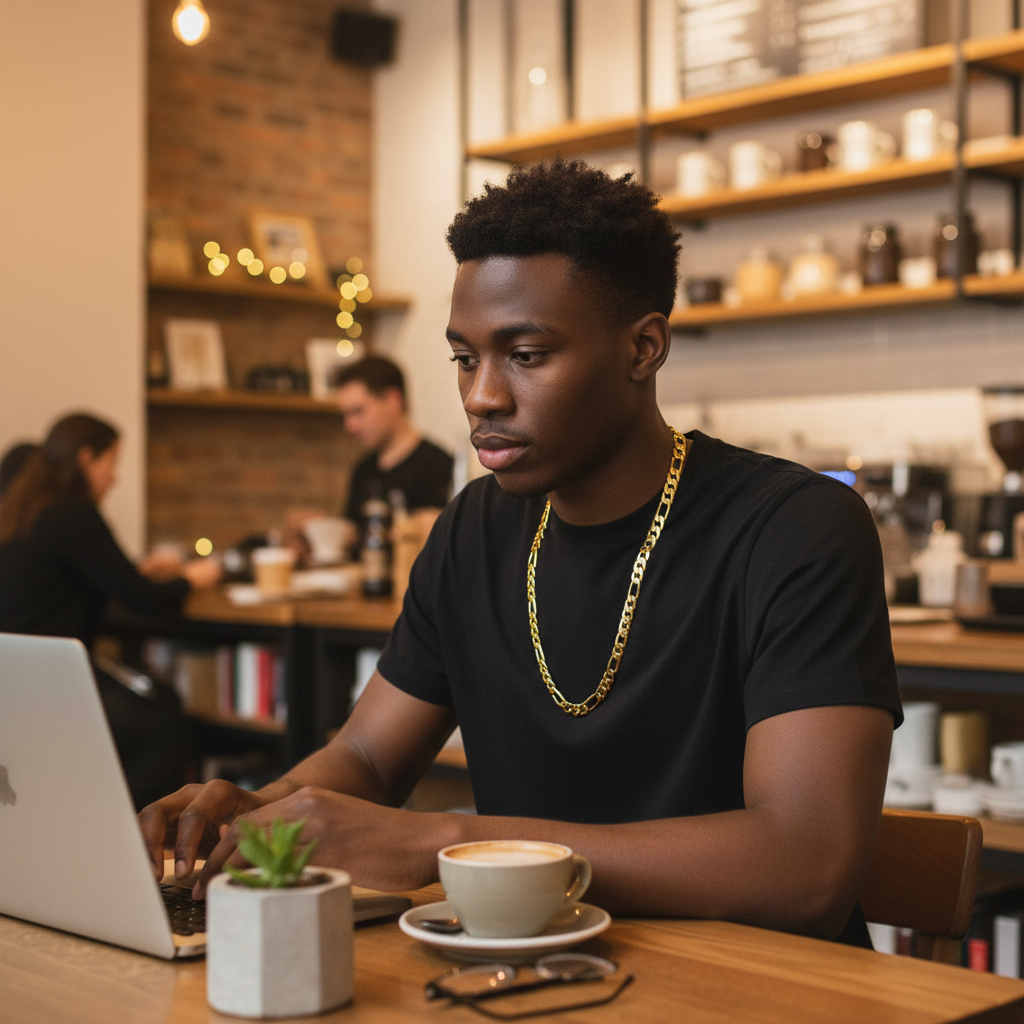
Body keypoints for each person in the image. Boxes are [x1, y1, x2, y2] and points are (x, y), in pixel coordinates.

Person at [140, 162, 900, 945]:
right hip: (532, 973)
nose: (481, 396)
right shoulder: (473, 530)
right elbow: (367, 755)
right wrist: (262, 810)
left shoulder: (795, 527)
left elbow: (806, 864)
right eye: (465, 358)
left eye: (526, 355)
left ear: (643, 348)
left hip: (763, 989)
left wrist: (447, 842)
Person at [0, 412, 220, 807]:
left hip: (13, 682)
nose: (114, 477)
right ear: (86, 458)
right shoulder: (74, 512)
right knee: (164, 720)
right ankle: (131, 834)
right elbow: (142, 599)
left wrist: (139, 571)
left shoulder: (26, 509)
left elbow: (90, 575)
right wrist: (193, 579)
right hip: (47, 689)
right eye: (112, 462)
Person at [334, 356, 453, 542]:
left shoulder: (440, 465)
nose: (350, 426)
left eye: (358, 411)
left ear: (392, 400)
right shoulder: (362, 470)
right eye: (346, 415)